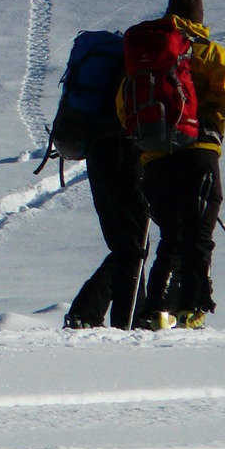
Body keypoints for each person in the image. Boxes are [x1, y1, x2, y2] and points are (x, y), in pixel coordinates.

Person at [120, 0, 225, 330]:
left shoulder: (147, 54)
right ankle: (192, 309)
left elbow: (122, 105)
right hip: (198, 153)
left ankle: (155, 311)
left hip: (154, 157)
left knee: (170, 235)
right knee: (198, 234)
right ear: (200, 19)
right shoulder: (208, 53)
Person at [64, 133, 148, 329]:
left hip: (99, 154)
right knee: (134, 247)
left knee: (126, 246)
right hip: (126, 154)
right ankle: (91, 314)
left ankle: (104, 317)